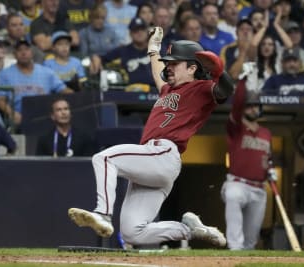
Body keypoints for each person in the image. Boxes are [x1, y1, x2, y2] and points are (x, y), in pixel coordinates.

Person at [68, 28, 235, 247]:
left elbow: (226, 91)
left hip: (163, 153)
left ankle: (103, 213)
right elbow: (157, 70)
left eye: (175, 63)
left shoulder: (201, 89)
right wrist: (153, 49)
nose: (169, 67)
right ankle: (190, 230)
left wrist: (219, 72)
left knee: (104, 158)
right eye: (169, 63)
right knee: (132, 233)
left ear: (192, 68)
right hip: (153, 164)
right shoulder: (167, 90)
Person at [221, 64, 273, 250]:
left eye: (255, 106)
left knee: (251, 240)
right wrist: (242, 81)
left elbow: (267, 159)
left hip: (259, 188)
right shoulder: (236, 127)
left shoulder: (266, 133)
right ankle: (234, 248)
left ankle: (244, 256)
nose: (252, 109)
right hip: (238, 183)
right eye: (249, 106)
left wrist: (270, 169)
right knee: (233, 196)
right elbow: (237, 104)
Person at [0, 39, 72, 127]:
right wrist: (12, 113)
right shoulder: (5, 74)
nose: (23, 53)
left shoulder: (47, 72)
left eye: (26, 49)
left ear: (32, 52)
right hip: (20, 118)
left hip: (44, 117)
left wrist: (75, 97)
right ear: (14, 54)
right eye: (19, 50)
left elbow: (64, 90)